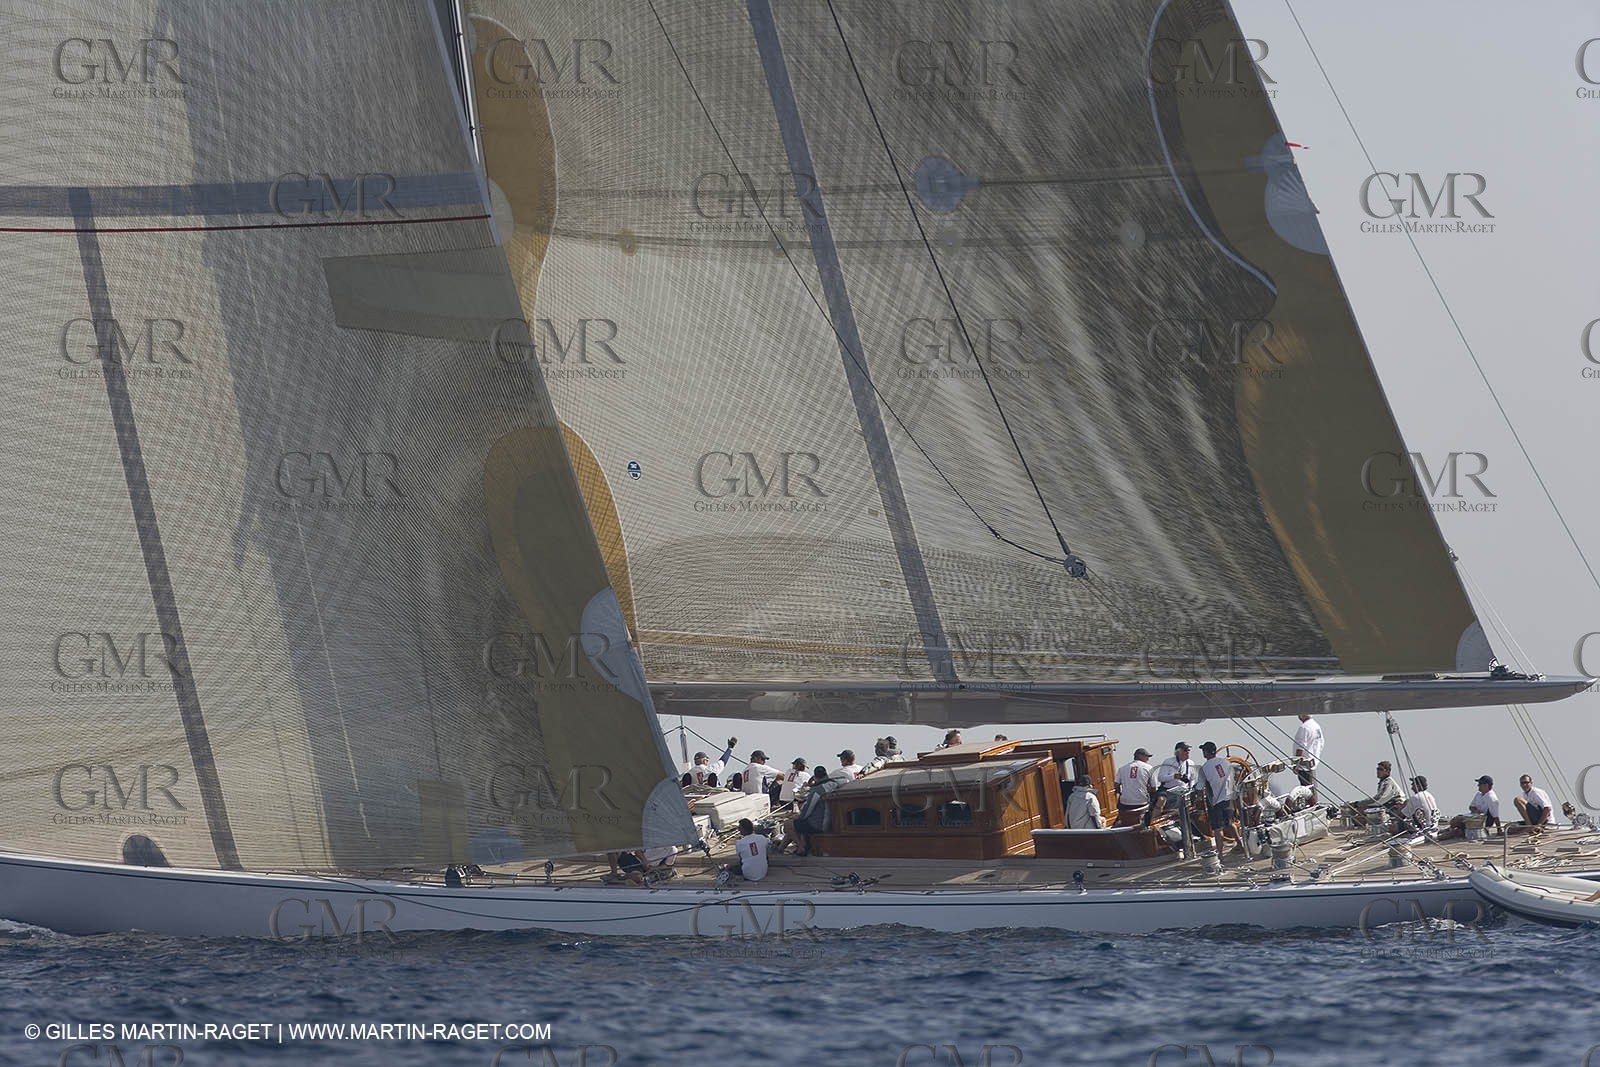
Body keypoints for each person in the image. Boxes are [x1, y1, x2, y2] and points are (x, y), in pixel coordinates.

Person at [788, 768, 841, 856]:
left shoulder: (817, 790)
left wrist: (799, 817)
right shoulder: (834, 784)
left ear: (815, 777)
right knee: (794, 824)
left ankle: (801, 848)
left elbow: (808, 809)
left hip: (819, 824)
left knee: (788, 824)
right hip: (831, 822)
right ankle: (780, 848)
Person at [1199, 742, 1239, 854]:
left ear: (1206, 752)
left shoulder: (1204, 768)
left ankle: (1220, 855)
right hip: (1228, 798)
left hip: (1216, 801)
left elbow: (1199, 786)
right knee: (1230, 824)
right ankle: (1241, 845)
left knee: (1217, 829)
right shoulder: (1225, 762)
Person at [1149, 742, 1200, 824]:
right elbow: (1160, 778)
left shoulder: (1191, 763)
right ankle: (1153, 823)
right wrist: (1173, 776)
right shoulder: (1168, 762)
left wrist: (1190, 789)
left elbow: (1192, 779)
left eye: (1188, 750)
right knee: (1161, 800)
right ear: (1178, 752)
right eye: (1185, 750)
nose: (1188, 752)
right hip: (1168, 790)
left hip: (1184, 791)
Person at [1348, 761, 1404, 825]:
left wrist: (1358, 804)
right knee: (1361, 812)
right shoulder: (1383, 782)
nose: (1378, 771)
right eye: (1377, 769)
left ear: (1387, 771)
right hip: (1388, 805)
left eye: (1381, 769)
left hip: (1395, 807)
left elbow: (1379, 799)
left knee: (1362, 810)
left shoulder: (1388, 783)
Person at [1113, 748, 1157, 821]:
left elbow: (1116, 784)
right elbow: (1154, 788)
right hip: (1141, 802)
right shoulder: (1149, 768)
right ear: (1140, 756)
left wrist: (1120, 793)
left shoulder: (1122, 768)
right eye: (1147, 756)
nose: (1148, 759)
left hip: (1125, 803)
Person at [1293, 712, 1324, 802]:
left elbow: (1300, 746)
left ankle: (1312, 805)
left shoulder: (1304, 728)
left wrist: (1296, 764)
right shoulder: (1316, 726)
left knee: (1306, 789)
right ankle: (1314, 803)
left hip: (1304, 765)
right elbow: (1321, 743)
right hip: (1312, 763)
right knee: (1312, 787)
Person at [730, 818, 771, 882]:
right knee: (763, 854)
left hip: (748, 874)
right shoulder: (762, 838)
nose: (738, 830)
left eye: (739, 828)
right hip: (763, 872)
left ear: (742, 830)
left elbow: (740, 858)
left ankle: (747, 873)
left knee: (731, 868)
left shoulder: (740, 843)